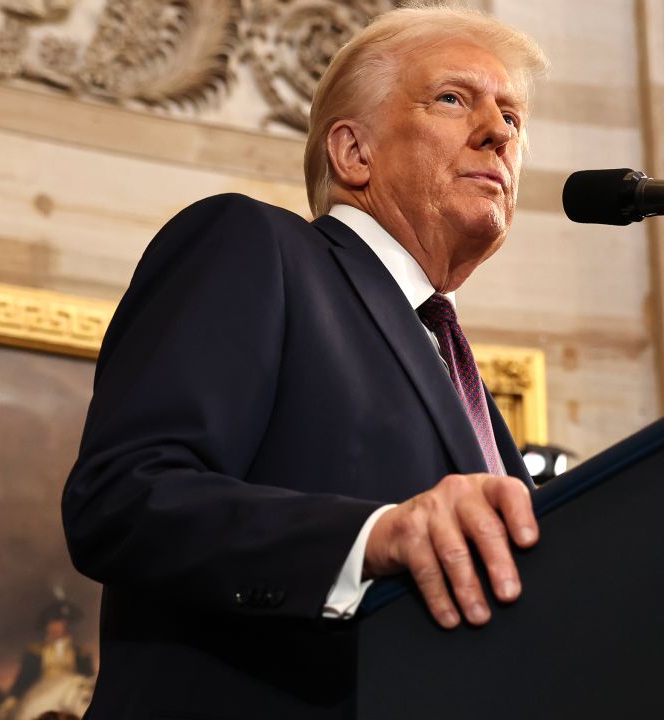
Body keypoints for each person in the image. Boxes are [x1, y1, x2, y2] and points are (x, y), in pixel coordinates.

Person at [61, 6, 548, 718]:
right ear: (353, 153)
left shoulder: (462, 377)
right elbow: (122, 498)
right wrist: (372, 537)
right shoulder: (254, 247)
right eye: (453, 98)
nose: (500, 131)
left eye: (511, 115)